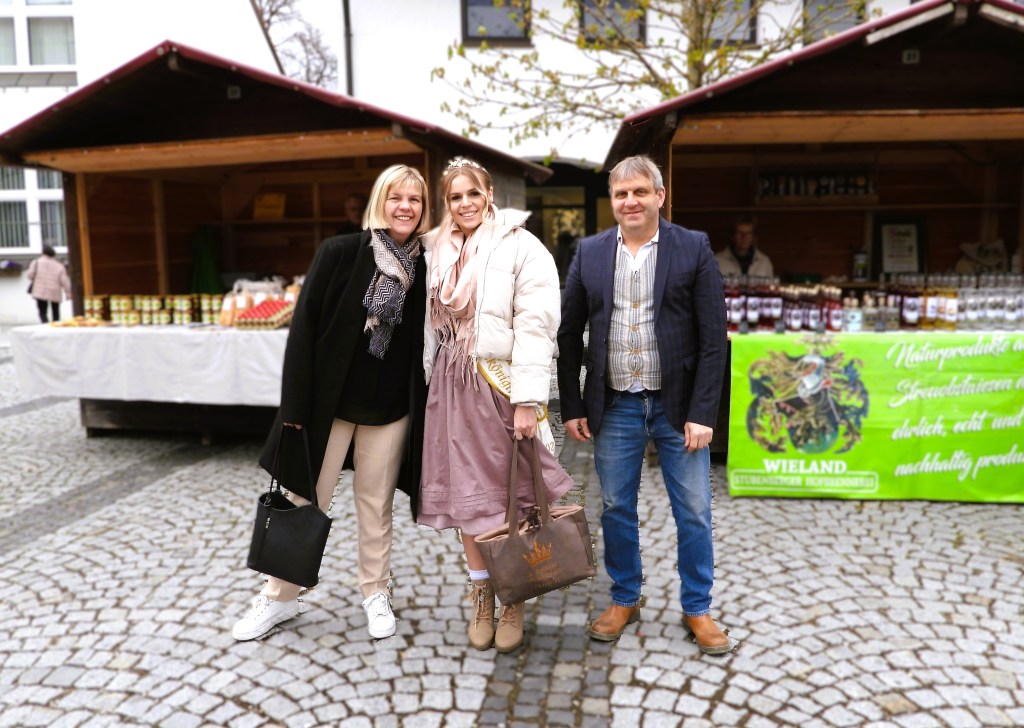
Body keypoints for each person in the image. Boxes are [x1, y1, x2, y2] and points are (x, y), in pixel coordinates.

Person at [232, 165, 430, 642]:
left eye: (415, 200)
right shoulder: (341, 252)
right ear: (380, 201)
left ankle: (375, 592)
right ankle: (279, 597)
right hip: (328, 405)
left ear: (424, 211)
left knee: (375, 504)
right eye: (396, 197)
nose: (405, 207)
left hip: (389, 410)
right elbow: (302, 334)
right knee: (304, 499)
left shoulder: (427, 266)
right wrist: (294, 410)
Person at [557, 155, 731, 654]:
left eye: (639, 192)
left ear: (659, 196)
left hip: (678, 407)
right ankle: (625, 596)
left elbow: (714, 339)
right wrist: (572, 404)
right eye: (620, 194)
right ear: (612, 202)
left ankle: (698, 607)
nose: (630, 201)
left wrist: (704, 412)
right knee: (615, 506)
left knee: (695, 510)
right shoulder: (588, 253)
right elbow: (568, 335)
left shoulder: (692, 247)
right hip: (615, 406)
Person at [418, 157, 573, 653]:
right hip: (450, 385)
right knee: (469, 499)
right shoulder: (436, 250)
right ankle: (481, 590)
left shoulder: (522, 248)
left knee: (510, 495)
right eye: (455, 197)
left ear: (489, 195)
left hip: (496, 386)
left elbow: (535, 326)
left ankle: (513, 595)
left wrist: (527, 401)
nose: (464, 204)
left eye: (472, 194)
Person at [26, 244, 71, 323]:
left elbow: (30, 276)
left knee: (42, 310)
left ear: (43, 253)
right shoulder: (59, 266)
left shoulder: (36, 262)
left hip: (40, 290)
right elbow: (64, 281)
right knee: (55, 310)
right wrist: (68, 293)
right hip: (54, 290)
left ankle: (45, 324)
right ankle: (55, 324)